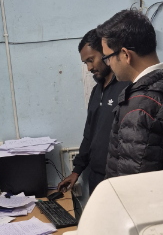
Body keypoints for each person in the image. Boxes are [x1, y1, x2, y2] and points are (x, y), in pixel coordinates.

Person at [95, 9, 163, 178]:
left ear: (125, 54)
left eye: (107, 57)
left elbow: (134, 182)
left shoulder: (140, 107)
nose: (108, 64)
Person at [57, 29, 132, 195]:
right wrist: (76, 171)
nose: (89, 68)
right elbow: (89, 134)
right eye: (85, 63)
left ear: (105, 53)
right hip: (96, 178)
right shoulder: (96, 91)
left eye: (91, 60)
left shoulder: (126, 86)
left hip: (119, 179)